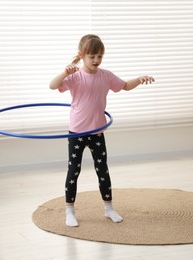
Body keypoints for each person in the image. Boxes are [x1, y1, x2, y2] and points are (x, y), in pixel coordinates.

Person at [49, 34, 154, 227]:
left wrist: (140, 79)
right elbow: (52, 85)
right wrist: (64, 72)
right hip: (77, 133)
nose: (96, 60)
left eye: (99, 57)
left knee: (103, 170)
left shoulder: (106, 76)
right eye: (92, 57)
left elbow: (125, 86)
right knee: (74, 170)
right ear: (81, 56)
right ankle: (69, 211)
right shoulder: (75, 76)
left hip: (97, 132)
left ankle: (109, 208)